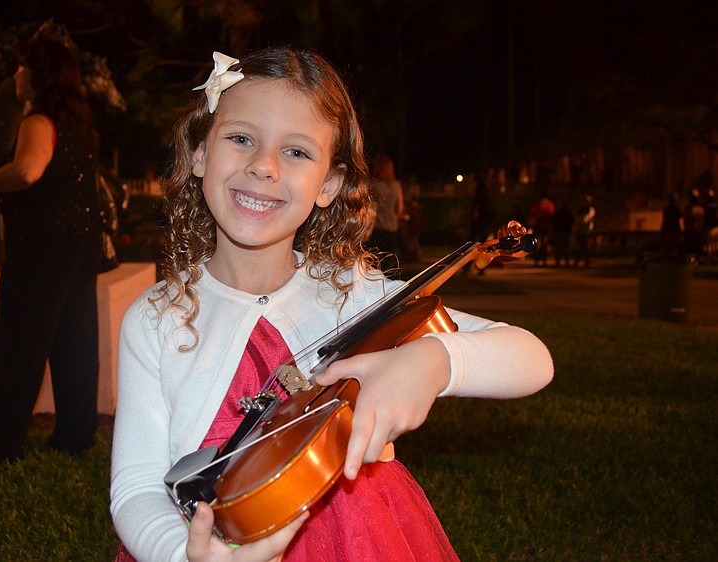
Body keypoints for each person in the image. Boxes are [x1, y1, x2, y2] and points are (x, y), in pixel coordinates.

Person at [109, 47, 554, 562]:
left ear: (330, 185)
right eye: (240, 139)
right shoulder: (157, 316)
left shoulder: (352, 296)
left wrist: (434, 361)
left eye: (296, 152)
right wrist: (183, 555)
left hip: (360, 539)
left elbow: (533, 358)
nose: (263, 166)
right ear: (199, 154)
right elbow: (137, 488)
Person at [0, 38, 103, 464]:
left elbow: (28, 170)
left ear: (39, 75)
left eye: (22, 68)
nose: (16, 76)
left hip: (42, 245)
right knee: (74, 342)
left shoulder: (38, 120)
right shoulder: (80, 121)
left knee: (17, 346)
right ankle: (76, 436)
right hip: (80, 243)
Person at [366, 153, 404, 269]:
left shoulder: (374, 185)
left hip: (377, 226)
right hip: (392, 226)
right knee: (389, 260)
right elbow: (400, 208)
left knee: (375, 260)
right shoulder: (396, 185)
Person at [528, 191, 555, 266]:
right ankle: (543, 260)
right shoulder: (550, 205)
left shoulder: (537, 205)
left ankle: (537, 261)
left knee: (537, 244)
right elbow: (551, 216)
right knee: (544, 244)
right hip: (546, 227)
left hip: (538, 226)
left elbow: (533, 215)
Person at [572, 194, 595, 268]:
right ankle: (577, 261)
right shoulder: (581, 210)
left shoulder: (591, 210)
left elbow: (586, 219)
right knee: (579, 247)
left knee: (585, 247)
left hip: (586, 231)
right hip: (580, 231)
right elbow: (576, 219)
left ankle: (586, 261)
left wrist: (581, 218)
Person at [550, 199, 574, 267]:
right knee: (563, 247)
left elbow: (554, 222)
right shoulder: (565, 213)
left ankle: (562, 261)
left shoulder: (561, 213)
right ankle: (563, 261)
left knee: (561, 247)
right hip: (562, 231)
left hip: (562, 232)